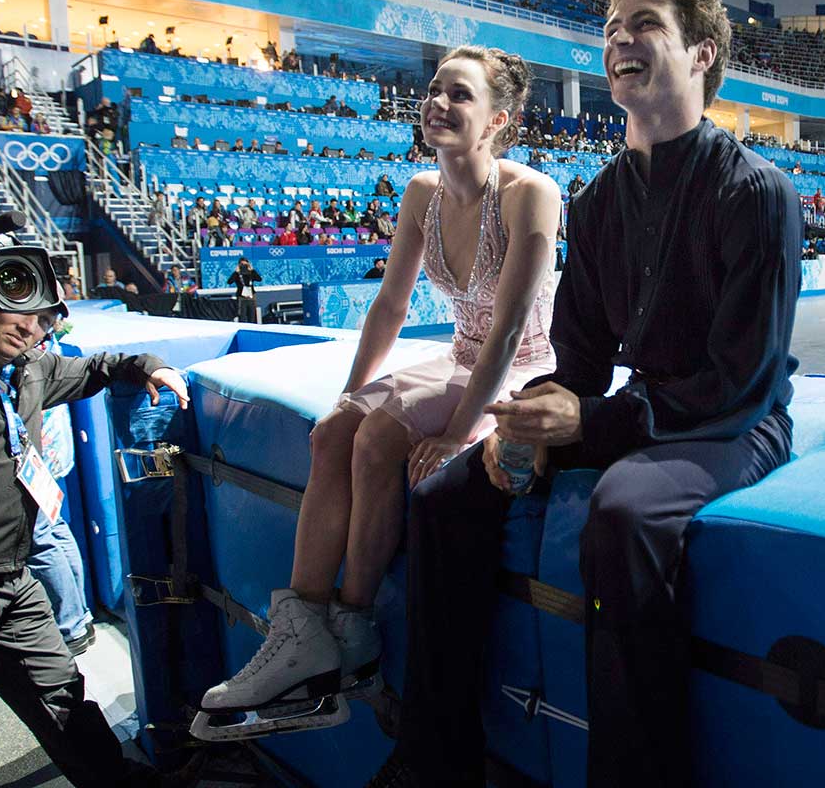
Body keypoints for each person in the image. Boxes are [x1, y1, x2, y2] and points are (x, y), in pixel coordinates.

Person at [369, 0, 802, 788]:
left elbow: (737, 383)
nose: (620, 41)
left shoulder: (757, 192)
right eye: (611, 31)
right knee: (446, 495)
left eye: (645, 26)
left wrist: (590, 424)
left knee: (625, 510)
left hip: (734, 423)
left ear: (702, 54)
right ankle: (435, 758)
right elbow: (579, 363)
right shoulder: (600, 201)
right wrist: (532, 417)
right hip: (642, 412)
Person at [195, 45, 559, 742]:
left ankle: (352, 631)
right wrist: (352, 391)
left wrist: (460, 433)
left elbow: (511, 329)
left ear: (496, 121)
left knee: (377, 442)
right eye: (434, 89)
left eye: (460, 95)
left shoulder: (529, 194)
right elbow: (390, 306)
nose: (438, 103)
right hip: (458, 356)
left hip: (522, 368)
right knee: (334, 432)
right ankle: (302, 629)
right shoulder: (422, 192)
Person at [0, 271, 188, 787]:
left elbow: (100, 366)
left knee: (60, 693)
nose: (31, 328)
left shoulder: (33, 368)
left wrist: (151, 367)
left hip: (13, 572)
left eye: (46, 320)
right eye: (21, 311)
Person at [227, 257, 262, 323]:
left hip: (251, 297)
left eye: (245, 264)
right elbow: (229, 281)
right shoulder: (237, 274)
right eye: (242, 264)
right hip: (241, 297)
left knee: (252, 316)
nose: (244, 266)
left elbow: (259, 279)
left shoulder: (250, 273)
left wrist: (252, 270)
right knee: (242, 316)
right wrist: (236, 272)